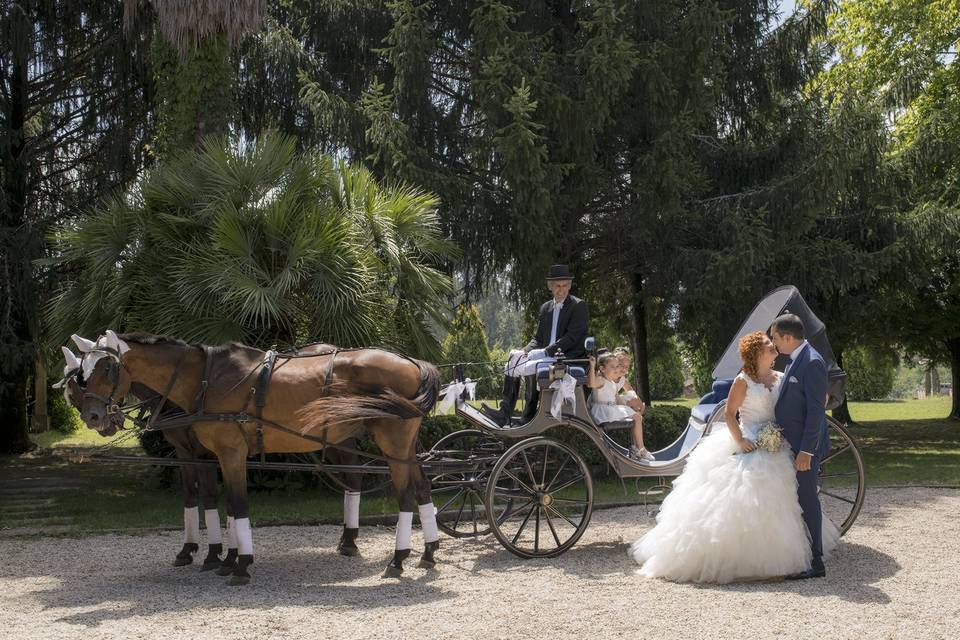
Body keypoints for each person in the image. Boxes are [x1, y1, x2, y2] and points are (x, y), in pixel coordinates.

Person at [629, 331, 838, 583]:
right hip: (749, 441)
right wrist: (740, 440)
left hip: (777, 444)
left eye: (773, 342)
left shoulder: (781, 377)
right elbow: (729, 414)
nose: (773, 346)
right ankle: (733, 559)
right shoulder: (743, 381)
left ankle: (782, 555)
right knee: (741, 496)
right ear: (755, 353)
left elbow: (801, 400)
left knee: (785, 499)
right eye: (767, 344)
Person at [481, 264, 589, 426]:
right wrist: (524, 351)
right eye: (558, 286)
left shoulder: (578, 306)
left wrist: (545, 352)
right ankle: (504, 412)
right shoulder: (546, 308)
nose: (562, 290)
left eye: (565, 285)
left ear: (570, 285)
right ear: (550, 287)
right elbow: (538, 338)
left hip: (564, 358)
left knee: (530, 366)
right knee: (512, 362)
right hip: (546, 355)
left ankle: (529, 415)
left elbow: (571, 338)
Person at [770, 313, 832, 580]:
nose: (773, 344)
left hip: (805, 449)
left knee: (808, 499)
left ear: (787, 337)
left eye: (775, 338)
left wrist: (807, 452)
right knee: (801, 499)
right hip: (792, 445)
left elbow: (817, 413)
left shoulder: (812, 363)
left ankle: (817, 563)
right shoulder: (796, 360)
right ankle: (804, 553)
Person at [587, 352, 653, 461]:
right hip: (604, 411)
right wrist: (592, 365)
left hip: (610, 409)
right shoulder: (601, 380)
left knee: (637, 417)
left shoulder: (611, 383)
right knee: (636, 417)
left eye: (617, 366)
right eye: (613, 367)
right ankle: (641, 449)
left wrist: (631, 411)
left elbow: (618, 400)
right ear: (603, 369)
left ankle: (636, 449)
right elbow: (591, 383)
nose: (617, 370)